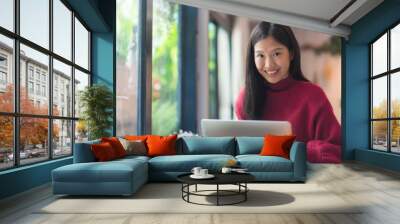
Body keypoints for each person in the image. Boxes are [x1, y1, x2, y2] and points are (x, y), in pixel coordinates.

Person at [235, 22, 341, 163]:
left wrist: (293, 151)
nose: (269, 65)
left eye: (276, 53)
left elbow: (337, 149)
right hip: (258, 176)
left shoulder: (313, 95)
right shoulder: (244, 98)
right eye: (260, 56)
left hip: (302, 178)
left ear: (291, 53)